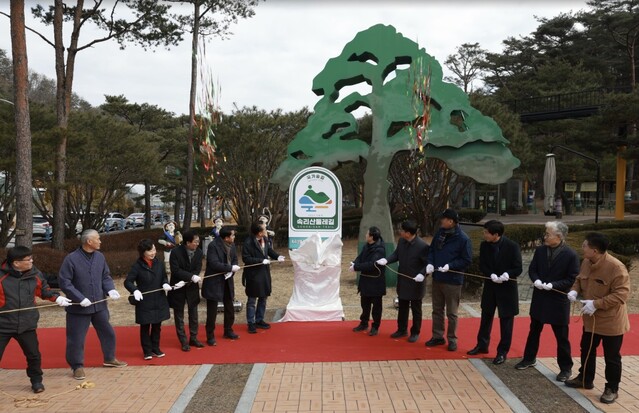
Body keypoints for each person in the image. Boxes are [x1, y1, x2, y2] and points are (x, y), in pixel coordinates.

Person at [565, 232, 630, 404]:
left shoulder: (616, 268)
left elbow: (621, 295)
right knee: (586, 349)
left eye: (585, 245)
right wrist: (574, 290)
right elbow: (580, 279)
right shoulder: (587, 261)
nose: (582, 247)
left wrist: (596, 304)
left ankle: (612, 388)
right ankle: (585, 378)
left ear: (594, 250)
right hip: (590, 320)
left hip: (611, 320)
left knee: (612, 356)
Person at [0, 246, 72, 393]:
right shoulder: (1, 277)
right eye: (28, 259)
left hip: (27, 324)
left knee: (33, 355)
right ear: (16, 263)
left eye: (31, 258)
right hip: (3, 325)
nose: (32, 261)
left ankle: (36, 381)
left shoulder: (35, 274)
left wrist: (57, 298)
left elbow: (44, 290)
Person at [515, 221, 579, 383]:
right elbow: (532, 269)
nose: (545, 236)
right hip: (540, 297)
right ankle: (529, 358)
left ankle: (565, 368)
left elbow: (572, 278)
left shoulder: (570, 255)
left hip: (558, 299)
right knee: (534, 330)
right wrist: (536, 280)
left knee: (561, 336)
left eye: (548, 234)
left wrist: (554, 285)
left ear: (559, 236)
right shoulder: (540, 250)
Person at [58, 229, 127, 381]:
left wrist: (110, 290)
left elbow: (105, 276)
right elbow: (65, 282)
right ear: (89, 241)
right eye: (98, 238)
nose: (100, 241)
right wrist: (79, 298)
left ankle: (109, 358)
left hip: (99, 305)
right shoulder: (71, 259)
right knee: (76, 338)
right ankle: (77, 366)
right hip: (78, 308)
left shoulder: (100, 257)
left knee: (108, 332)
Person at [467, 220, 522, 364]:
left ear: (496, 234)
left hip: (507, 289)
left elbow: (518, 268)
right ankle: (482, 345)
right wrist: (490, 274)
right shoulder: (485, 245)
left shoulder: (512, 247)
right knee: (486, 317)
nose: (484, 234)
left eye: (486, 232)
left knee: (506, 322)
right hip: (490, 288)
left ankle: (502, 352)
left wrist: (507, 275)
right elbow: (483, 264)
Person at [425, 208, 472, 352]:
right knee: (437, 309)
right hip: (438, 278)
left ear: (451, 222)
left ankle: (452, 338)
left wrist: (450, 266)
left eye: (444, 219)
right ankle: (437, 336)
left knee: (452, 312)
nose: (441, 221)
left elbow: (466, 260)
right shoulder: (440, 233)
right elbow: (432, 249)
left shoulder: (463, 239)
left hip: (452, 280)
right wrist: (430, 263)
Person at [376, 220, 428, 343]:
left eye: (402, 230)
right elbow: (396, 255)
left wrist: (422, 274)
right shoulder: (402, 241)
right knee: (403, 306)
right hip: (403, 280)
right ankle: (402, 329)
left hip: (416, 282)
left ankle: (415, 332)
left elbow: (428, 264)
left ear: (408, 233)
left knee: (416, 308)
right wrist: (386, 260)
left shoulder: (422, 246)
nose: (400, 232)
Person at [124, 239, 173, 360]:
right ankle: (147, 351)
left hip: (159, 299)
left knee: (157, 326)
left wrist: (165, 284)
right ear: (143, 252)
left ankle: (155, 348)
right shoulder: (137, 266)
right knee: (145, 326)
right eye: (150, 250)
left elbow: (164, 278)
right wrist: (134, 290)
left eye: (154, 250)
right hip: (145, 301)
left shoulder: (159, 263)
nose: (153, 253)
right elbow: (128, 281)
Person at [242, 222, 285, 334]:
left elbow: (269, 250)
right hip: (253, 274)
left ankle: (259, 319)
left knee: (263, 297)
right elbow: (246, 259)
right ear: (260, 232)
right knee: (252, 299)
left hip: (264, 273)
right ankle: (251, 322)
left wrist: (277, 256)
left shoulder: (265, 239)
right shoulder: (248, 242)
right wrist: (261, 261)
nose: (267, 230)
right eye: (265, 229)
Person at [204, 226, 241, 344]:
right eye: (232, 235)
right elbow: (214, 263)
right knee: (212, 310)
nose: (234, 237)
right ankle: (210, 335)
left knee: (229, 306)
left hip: (227, 280)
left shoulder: (233, 245)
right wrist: (230, 268)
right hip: (214, 281)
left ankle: (228, 330)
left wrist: (232, 269)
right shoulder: (213, 246)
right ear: (226, 238)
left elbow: (234, 259)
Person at [168, 231, 203, 351]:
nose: (197, 244)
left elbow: (198, 268)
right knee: (179, 315)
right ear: (188, 243)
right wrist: (190, 277)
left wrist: (193, 277)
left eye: (198, 241)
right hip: (178, 286)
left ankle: (193, 337)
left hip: (192, 287)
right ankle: (183, 340)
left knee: (194, 314)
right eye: (195, 242)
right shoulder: (175, 252)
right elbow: (175, 270)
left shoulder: (199, 252)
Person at [351, 226, 386, 336]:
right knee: (364, 304)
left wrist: (357, 267)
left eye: (367, 234)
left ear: (371, 237)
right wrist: (354, 263)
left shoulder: (379, 249)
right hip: (365, 280)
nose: (365, 235)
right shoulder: (367, 246)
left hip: (376, 282)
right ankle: (364, 322)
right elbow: (360, 257)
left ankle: (375, 326)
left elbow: (372, 264)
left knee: (376, 306)